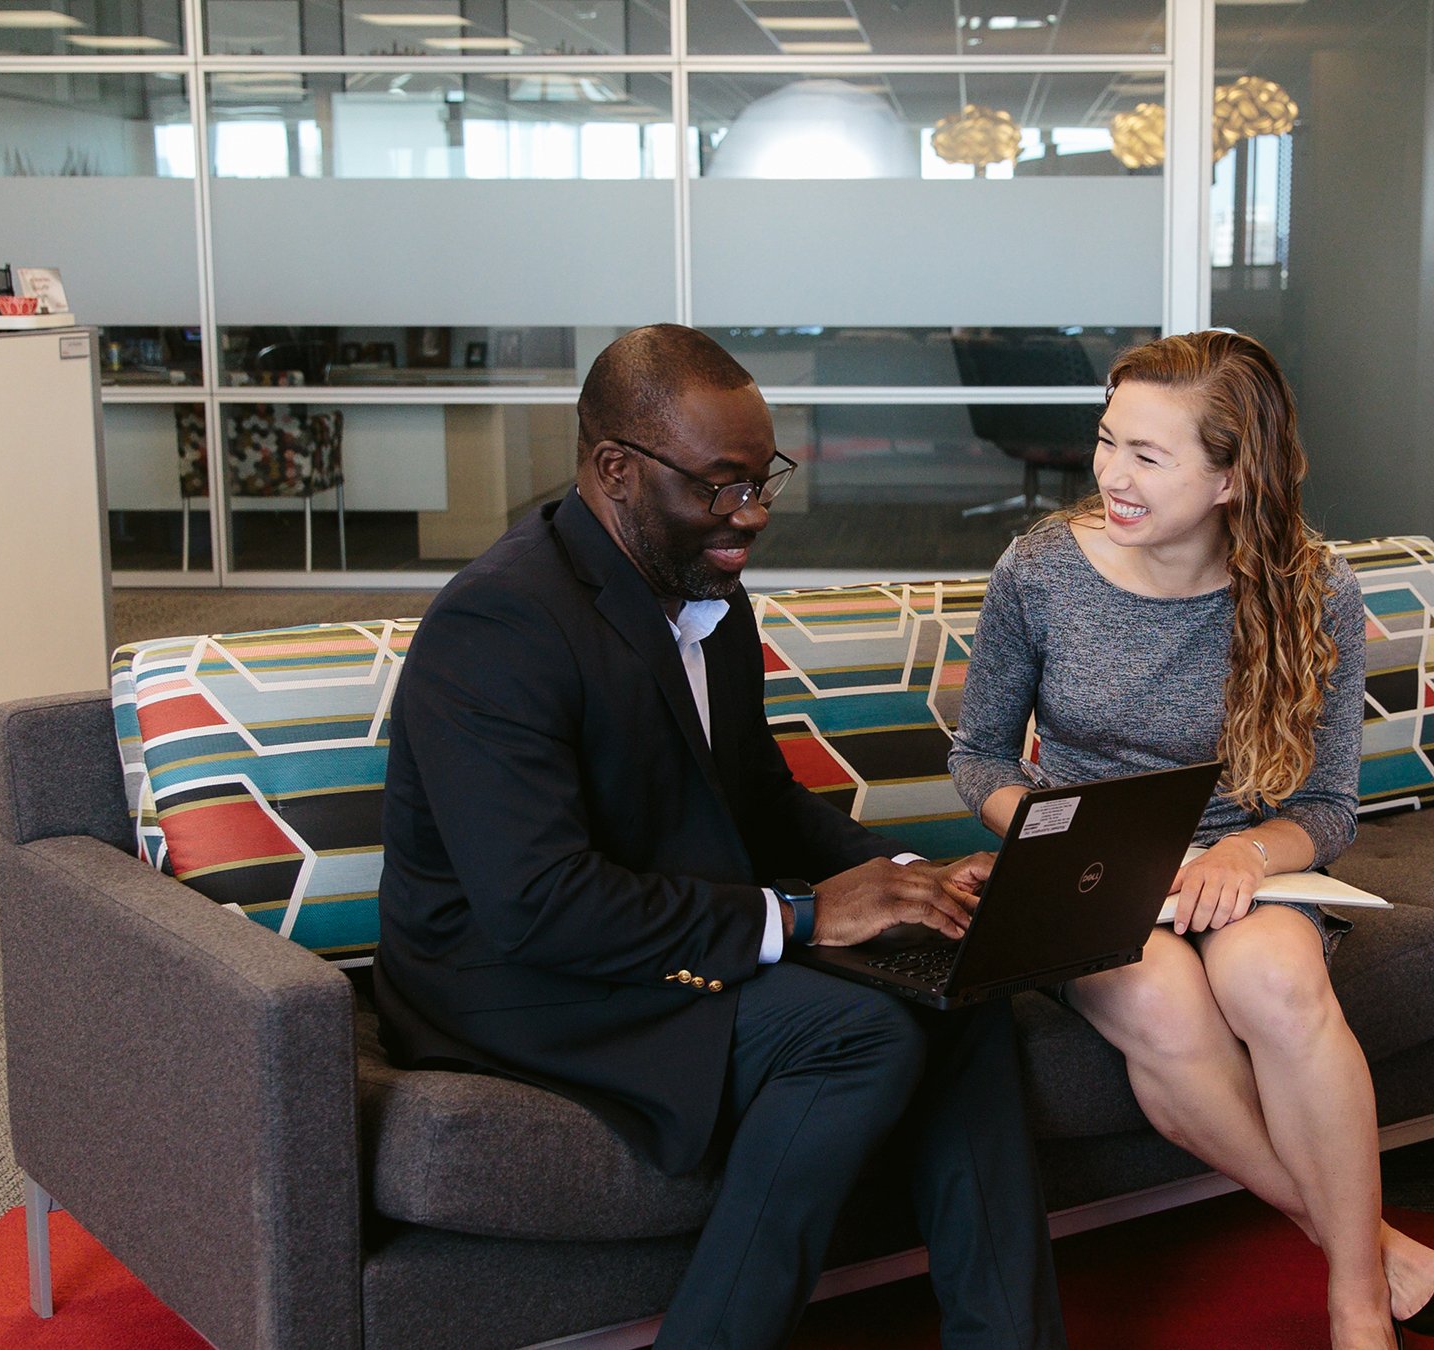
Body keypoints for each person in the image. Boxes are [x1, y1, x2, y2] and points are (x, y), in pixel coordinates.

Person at [375, 324, 1067, 1350]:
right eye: (719, 485)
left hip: (659, 928)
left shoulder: (706, 595)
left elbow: (756, 797)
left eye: (764, 479)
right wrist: (800, 913)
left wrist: (908, 886)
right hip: (514, 979)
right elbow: (537, 906)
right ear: (614, 468)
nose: (751, 516)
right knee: (857, 1036)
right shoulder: (501, 625)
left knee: (960, 984)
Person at [948, 330, 1434, 1350]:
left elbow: (1329, 808)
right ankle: (1369, 1252)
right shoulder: (1040, 570)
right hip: (1082, 862)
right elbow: (982, 758)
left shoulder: (1313, 590)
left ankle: (1356, 1316)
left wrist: (1244, 857)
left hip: (1242, 861)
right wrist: (1053, 836)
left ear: (1229, 477)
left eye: (1148, 456)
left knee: (1278, 986)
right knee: (1167, 1005)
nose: (1111, 476)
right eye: (1108, 441)